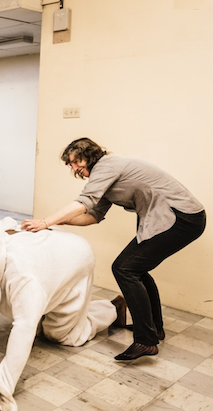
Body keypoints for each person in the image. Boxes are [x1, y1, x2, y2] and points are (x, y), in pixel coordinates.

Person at [22, 138, 206, 361]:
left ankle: (146, 341)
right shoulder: (104, 178)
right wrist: (57, 222)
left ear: (90, 155)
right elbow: (92, 216)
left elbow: (84, 201)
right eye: (70, 164)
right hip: (167, 218)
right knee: (135, 269)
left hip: (182, 217)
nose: (75, 168)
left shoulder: (107, 166)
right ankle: (154, 330)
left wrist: (45, 221)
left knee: (125, 269)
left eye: (77, 161)